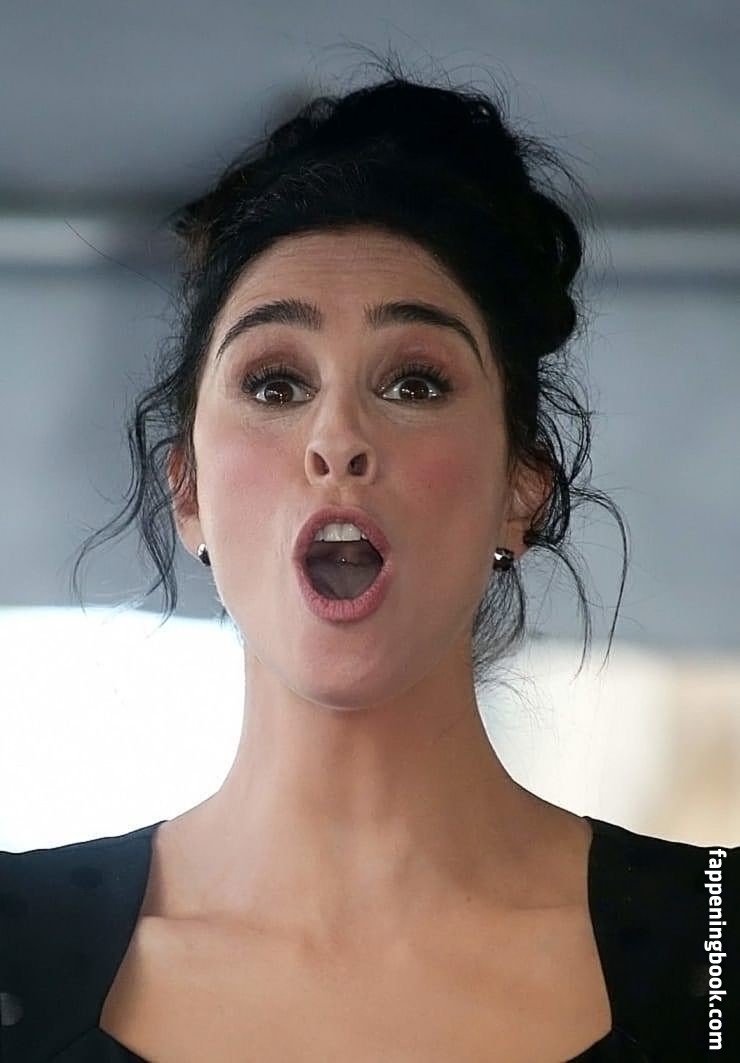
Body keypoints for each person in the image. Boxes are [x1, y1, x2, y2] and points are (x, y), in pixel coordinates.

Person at [1, 50, 737, 1063]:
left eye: (415, 383)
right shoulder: (14, 948)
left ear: (521, 488)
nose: (337, 436)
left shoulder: (715, 947)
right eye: (273, 383)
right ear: (189, 491)